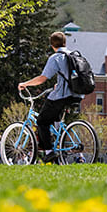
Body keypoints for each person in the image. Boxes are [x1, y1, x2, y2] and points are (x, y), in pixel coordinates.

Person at [18, 31, 84, 163]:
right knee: (53, 117)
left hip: (62, 95)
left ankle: (49, 152)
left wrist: (25, 84)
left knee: (42, 121)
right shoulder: (73, 55)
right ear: (65, 43)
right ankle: (54, 142)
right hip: (77, 94)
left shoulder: (56, 57)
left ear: (52, 45)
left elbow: (42, 79)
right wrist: (59, 84)